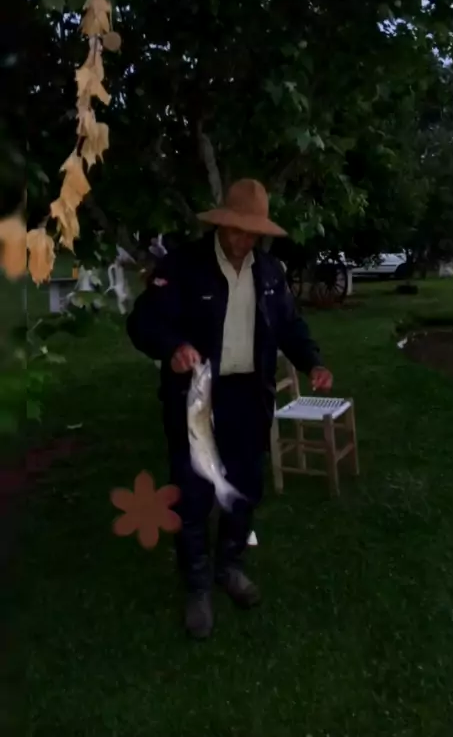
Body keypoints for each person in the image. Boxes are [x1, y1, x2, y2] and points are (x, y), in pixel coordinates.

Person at [126, 178, 333, 639]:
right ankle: (198, 584)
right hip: (197, 395)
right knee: (193, 488)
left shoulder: (270, 272)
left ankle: (230, 565)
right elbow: (142, 322)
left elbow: (290, 325)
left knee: (244, 485)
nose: (243, 240)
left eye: (252, 232)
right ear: (221, 224)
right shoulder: (183, 266)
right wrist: (173, 347)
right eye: (237, 230)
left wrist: (313, 362)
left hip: (249, 395)